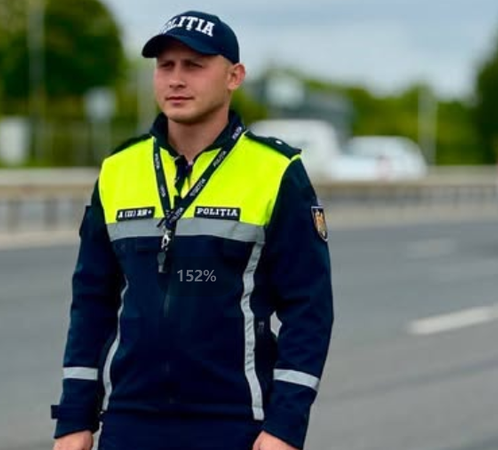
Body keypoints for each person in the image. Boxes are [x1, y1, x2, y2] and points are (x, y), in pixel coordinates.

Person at [52, 10, 334, 450]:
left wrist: (286, 426)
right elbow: (91, 302)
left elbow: (309, 309)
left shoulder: (276, 171)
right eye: (165, 66)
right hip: (129, 420)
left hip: (234, 422)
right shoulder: (118, 169)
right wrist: (74, 417)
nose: (176, 79)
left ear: (234, 76)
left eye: (194, 65)